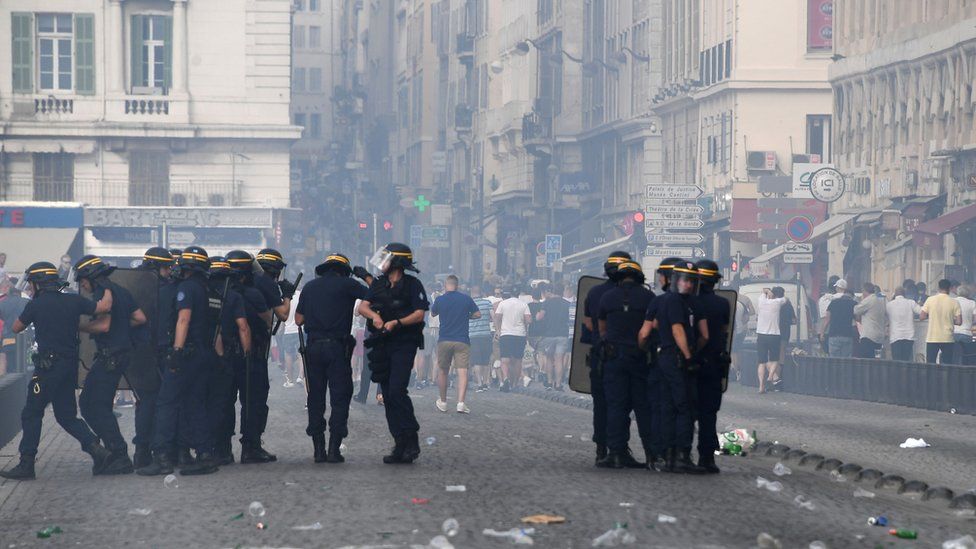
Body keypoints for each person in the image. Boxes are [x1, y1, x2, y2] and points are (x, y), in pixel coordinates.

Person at [0, 262, 114, 481]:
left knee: (32, 413)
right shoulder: (73, 300)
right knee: (66, 416)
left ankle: (26, 464)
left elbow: (16, 328)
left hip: (47, 369)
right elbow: (103, 307)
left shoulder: (36, 304)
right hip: (69, 367)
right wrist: (108, 285)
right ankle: (97, 450)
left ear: (38, 284)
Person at [137, 246, 220, 476]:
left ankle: (162, 457)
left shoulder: (184, 288)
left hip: (185, 355)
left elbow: (183, 319)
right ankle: (204, 455)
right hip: (202, 353)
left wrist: (176, 350)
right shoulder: (205, 288)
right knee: (194, 404)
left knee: (167, 402)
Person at [74, 255, 147, 475]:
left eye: (83, 280)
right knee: (97, 404)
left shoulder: (102, 292)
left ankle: (118, 453)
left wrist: (81, 327)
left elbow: (104, 325)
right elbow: (140, 318)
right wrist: (121, 329)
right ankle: (115, 452)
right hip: (119, 355)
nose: (82, 285)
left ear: (91, 277)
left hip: (110, 357)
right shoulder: (121, 290)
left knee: (91, 404)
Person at [358, 243, 429, 464]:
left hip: (403, 343)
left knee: (397, 390)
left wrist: (397, 322)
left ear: (396, 262)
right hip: (382, 343)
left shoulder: (412, 285)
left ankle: (411, 438)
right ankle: (399, 443)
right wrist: (375, 317)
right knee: (387, 395)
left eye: (386, 259)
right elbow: (362, 307)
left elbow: (419, 314)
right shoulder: (379, 283)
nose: (383, 263)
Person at [297, 253, 369, 463]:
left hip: (314, 349)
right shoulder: (348, 285)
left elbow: (298, 319)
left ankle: (318, 450)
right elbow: (373, 295)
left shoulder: (310, 287)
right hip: (338, 349)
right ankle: (333, 450)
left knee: (315, 398)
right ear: (344, 270)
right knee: (340, 398)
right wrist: (365, 277)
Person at [645, 261, 704, 474]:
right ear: (676, 280)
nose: (688, 285)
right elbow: (679, 330)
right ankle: (681, 455)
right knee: (684, 407)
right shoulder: (679, 303)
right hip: (677, 358)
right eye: (684, 280)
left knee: (667, 407)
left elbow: (647, 331)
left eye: (691, 281)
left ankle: (665, 454)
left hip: (663, 358)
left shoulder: (662, 301)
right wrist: (689, 356)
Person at [596, 261, 654, 469]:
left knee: (616, 406)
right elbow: (652, 329)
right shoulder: (648, 297)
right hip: (639, 358)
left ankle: (617, 453)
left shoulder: (607, 297)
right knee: (644, 407)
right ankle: (651, 455)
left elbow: (602, 328)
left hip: (614, 358)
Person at [226, 250, 277, 463]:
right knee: (253, 402)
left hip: (226, 356)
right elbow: (268, 320)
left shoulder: (222, 292)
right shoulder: (254, 294)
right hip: (252, 355)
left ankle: (221, 449)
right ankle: (251, 447)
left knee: (224, 402)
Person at [132, 247, 178, 468]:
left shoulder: (134, 288)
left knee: (144, 404)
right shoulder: (168, 290)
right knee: (162, 404)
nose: (169, 271)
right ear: (157, 267)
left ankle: (141, 451)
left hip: (139, 354)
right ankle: (161, 452)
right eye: (166, 267)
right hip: (159, 353)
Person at [207, 257, 251, 466]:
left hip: (202, 356)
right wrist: (247, 354)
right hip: (227, 356)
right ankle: (224, 449)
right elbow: (243, 327)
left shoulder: (202, 294)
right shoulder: (233, 297)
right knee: (226, 402)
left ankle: (206, 448)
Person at [692, 259, 731, 473]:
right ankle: (707, 458)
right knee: (709, 413)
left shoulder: (688, 302)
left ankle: (681, 455)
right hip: (714, 364)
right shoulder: (722, 304)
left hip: (690, 364)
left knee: (685, 410)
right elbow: (724, 330)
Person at [430, 275, 480, 414]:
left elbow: (433, 313)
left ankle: (443, 401)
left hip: (445, 339)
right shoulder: (466, 299)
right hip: (462, 340)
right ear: (457, 285)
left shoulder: (440, 299)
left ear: (446, 285)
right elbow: (478, 314)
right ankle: (460, 403)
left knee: (443, 371)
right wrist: (466, 316)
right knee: (462, 371)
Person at [494, 286, 531, 393]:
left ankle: (505, 378)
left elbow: (497, 317)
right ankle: (515, 383)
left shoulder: (503, 304)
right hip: (520, 334)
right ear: (519, 294)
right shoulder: (523, 305)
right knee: (518, 360)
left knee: (505, 360)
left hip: (506, 334)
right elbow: (529, 320)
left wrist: (497, 330)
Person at [538, 282, 571, 391]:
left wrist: (538, 315)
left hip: (549, 334)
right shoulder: (567, 303)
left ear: (552, 291)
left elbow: (540, 316)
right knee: (559, 360)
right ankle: (558, 384)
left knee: (549, 358)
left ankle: (549, 382)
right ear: (562, 291)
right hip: (563, 334)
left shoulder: (547, 303)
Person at [920, 279, 962, 364]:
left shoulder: (930, 300)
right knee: (947, 364)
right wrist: (949, 319)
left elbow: (922, 316)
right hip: (948, 338)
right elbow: (959, 321)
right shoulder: (954, 302)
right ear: (949, 288)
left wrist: (932, 316)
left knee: (931, 364)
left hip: (932, 337)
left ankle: (932, 377)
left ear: (938, 288)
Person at [755, 286, 786, 393]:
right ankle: (770, 377)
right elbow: (785, 299)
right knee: (774, 359)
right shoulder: (778, 302)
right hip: (774, 335)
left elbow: (763, 291)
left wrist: (767, 292)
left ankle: (760, 386)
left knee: (761, 362)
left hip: (761, 335)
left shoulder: (761, 301)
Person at [821, 279, 857, 358]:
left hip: (834, 335)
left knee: (834, 360)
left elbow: (827, 319)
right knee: (846, 360)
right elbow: (858, 319)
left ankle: (834, 371)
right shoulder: (853, 303)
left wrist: (822, 333)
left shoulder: (833, 302)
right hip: (847, 335)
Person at [0, 280, 29, 375]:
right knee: (24, 365)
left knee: (10, 367)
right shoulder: (27, 302)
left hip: (8, 339)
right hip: (24, 339)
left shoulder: (2, 304)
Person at [469, 285, 494, 393]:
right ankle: (485, 382)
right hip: (486, 335)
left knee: (476, 361)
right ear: (481, 293)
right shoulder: (487, 303)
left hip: (473, 336)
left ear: (472, 293)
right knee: (485, 360)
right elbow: (493, 316)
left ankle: (479, 384)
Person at [887, 287, 921, 362]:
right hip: (908, 336)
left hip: (895, 336)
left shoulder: (889, 305)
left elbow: (884, 317)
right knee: (906, 360)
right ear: (904, 294)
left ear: (895, 294)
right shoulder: (911, 302)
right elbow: (921, 312)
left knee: (896, 361)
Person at [854, 282, 886, 359]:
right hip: (879, 337)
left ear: (864, 291)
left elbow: (856, 310)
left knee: (865, 361)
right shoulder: (880, 301)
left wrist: (860, 300)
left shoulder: (868, 300)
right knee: (875, 361)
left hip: (868, 337)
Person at [953, 286, 976, 365]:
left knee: (953, 358)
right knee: (967, 358)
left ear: (958, 292)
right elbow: (975, 319)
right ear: (968, 293)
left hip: (953, 333)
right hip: (966, 333)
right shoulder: (972, 303)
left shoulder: (952, 301)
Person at [817, 275, 840, 354]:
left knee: (827, 355)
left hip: (821, 331)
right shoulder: (839, 300)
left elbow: (821, 316)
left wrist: (821, 332)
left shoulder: (822, 299)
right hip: (834, 332)